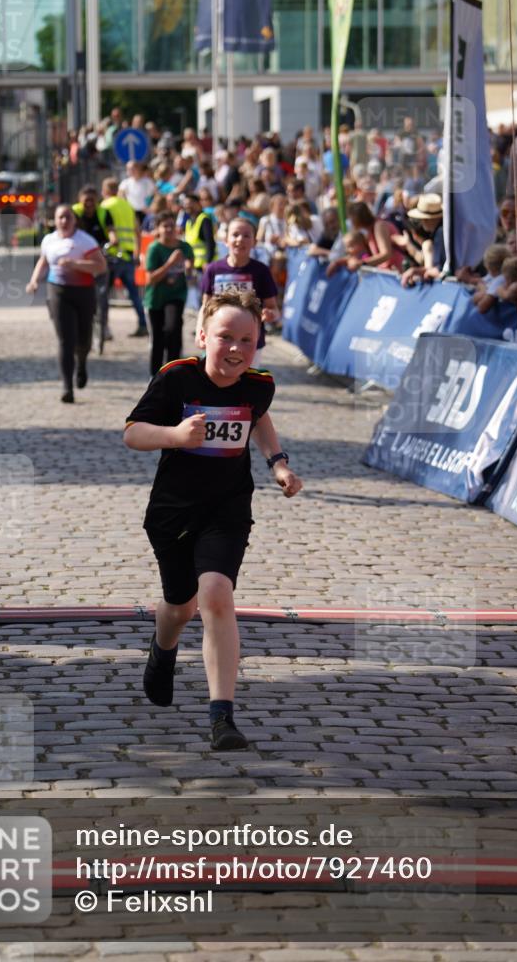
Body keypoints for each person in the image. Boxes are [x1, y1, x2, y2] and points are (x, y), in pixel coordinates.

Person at [124, 289, 302, 751]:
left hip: (227, 507)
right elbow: (133, 433)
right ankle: (163, 650)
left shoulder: (259, 384)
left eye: (248, 339)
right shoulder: (176, 379)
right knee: (180, 607)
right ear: (203, 336)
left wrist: (277, 463)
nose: (237, 349)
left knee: (216, 594)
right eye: (226, 337)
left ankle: (222, 716)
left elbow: (258, 418)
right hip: (173, 511)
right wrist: (175, 435)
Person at [26, 204, 107, 402]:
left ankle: (82, 363)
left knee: (84, 339)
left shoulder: (84, 241)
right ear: (55, 220)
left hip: (83, 292)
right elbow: (43, 261)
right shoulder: (49, 240)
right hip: (58, 291)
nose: (64, 221)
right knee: (65, 340)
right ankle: (67, 387)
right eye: (60, 217)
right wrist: (34, 280)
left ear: (74, 220)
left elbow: (100, 266)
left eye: (67, 217)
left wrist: (75, 264)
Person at [200, 217, 281, 364]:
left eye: (246, 235)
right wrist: (200, 331)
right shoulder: (213, 269)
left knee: (247, 385)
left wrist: (270, 314)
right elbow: (205, 307)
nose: (240, 239)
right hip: (218, 341)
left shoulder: (261, 271)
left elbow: (274, 309)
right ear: (226, 240)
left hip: (250, 343)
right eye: (235, 234)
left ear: (255, 242)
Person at [144, 212, 193, 375]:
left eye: (172, 225)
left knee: (173, 330)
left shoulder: (184, 247)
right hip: (156, 299)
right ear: (158, 229)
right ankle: (155, 376)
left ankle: (173, 374)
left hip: (176, 295)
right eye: (165, 226)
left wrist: (188, 268)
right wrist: (170, 263)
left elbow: (189, 268)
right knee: (158, 339)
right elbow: (150, 279)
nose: (169, 229)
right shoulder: (154, 248)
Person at [100, 177, 148, 337]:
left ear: (105, 191)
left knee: (104, 293)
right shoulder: (128, 206)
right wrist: (136, 252)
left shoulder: (105, 205)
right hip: (127, 255)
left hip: (111, 255)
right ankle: (143, 324)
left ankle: (104, 329)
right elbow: (137, 231)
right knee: (134, 294)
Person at [72, 185, 111, 344]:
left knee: (102, 296)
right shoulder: (74, 214)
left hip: (99, 259)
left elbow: (111, 230)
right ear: (80, 200)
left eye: (92, 200)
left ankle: (104, 324)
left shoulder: (103, 213)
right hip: (81, 261)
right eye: (86, 200)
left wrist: (113, 240)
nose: (89, 203)